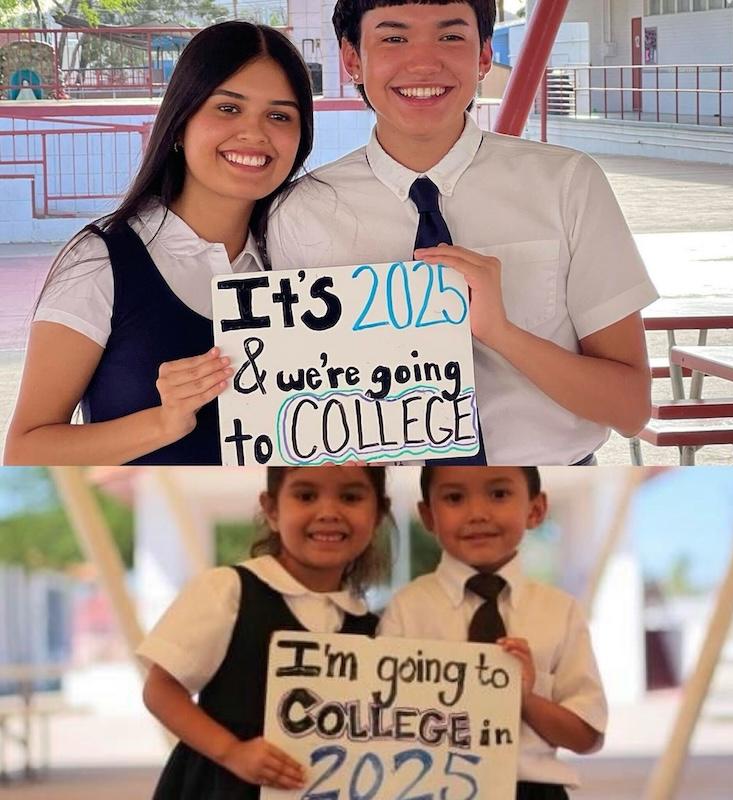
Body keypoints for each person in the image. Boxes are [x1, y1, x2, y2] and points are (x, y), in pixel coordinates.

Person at [266, 0, 658, 465]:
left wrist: (501, 332)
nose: (423, 63)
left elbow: (631, 409)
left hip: (548, 490)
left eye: (450, 37)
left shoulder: (568, 183)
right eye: (394, 38)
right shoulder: (300, 211)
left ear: (484, 55)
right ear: (352, 59)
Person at [4, 21, 314, 466]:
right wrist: (163, 423)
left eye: (280, 116)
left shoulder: (302, 265)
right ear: (179, 125)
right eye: (228, 108)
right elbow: (25, 451)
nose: (255, 133)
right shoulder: (102, 260)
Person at [138, 465, 392, 799]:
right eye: (306, 496)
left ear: (378, 514)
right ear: (271, 510)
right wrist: (232, 751)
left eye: (350, 497)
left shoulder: (374, 629)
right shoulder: (228, 591)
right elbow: (160, 690)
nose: (328, 512)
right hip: (222, 787)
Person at [380, 466, 607, 800]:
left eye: (499, 494)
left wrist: (526, 699)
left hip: (533, 791)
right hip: (430, 786)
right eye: (454, 498)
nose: (477, 514)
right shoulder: (406, 610)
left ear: (535, 510)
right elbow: (379, 720)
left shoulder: (561, 612)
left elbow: (587, 736)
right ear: (428, 516)